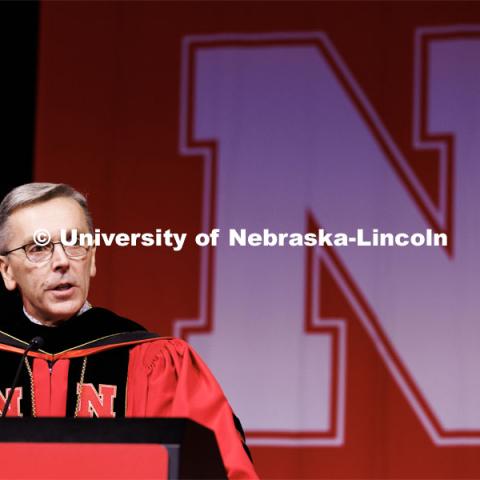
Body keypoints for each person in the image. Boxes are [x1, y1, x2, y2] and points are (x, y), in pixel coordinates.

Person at [0, 182, 258, 479]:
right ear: (7, 271)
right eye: (39, 248)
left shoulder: (155, 362)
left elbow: (222, 470)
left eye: (74, 243)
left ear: (92, 258)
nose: (62, 262)